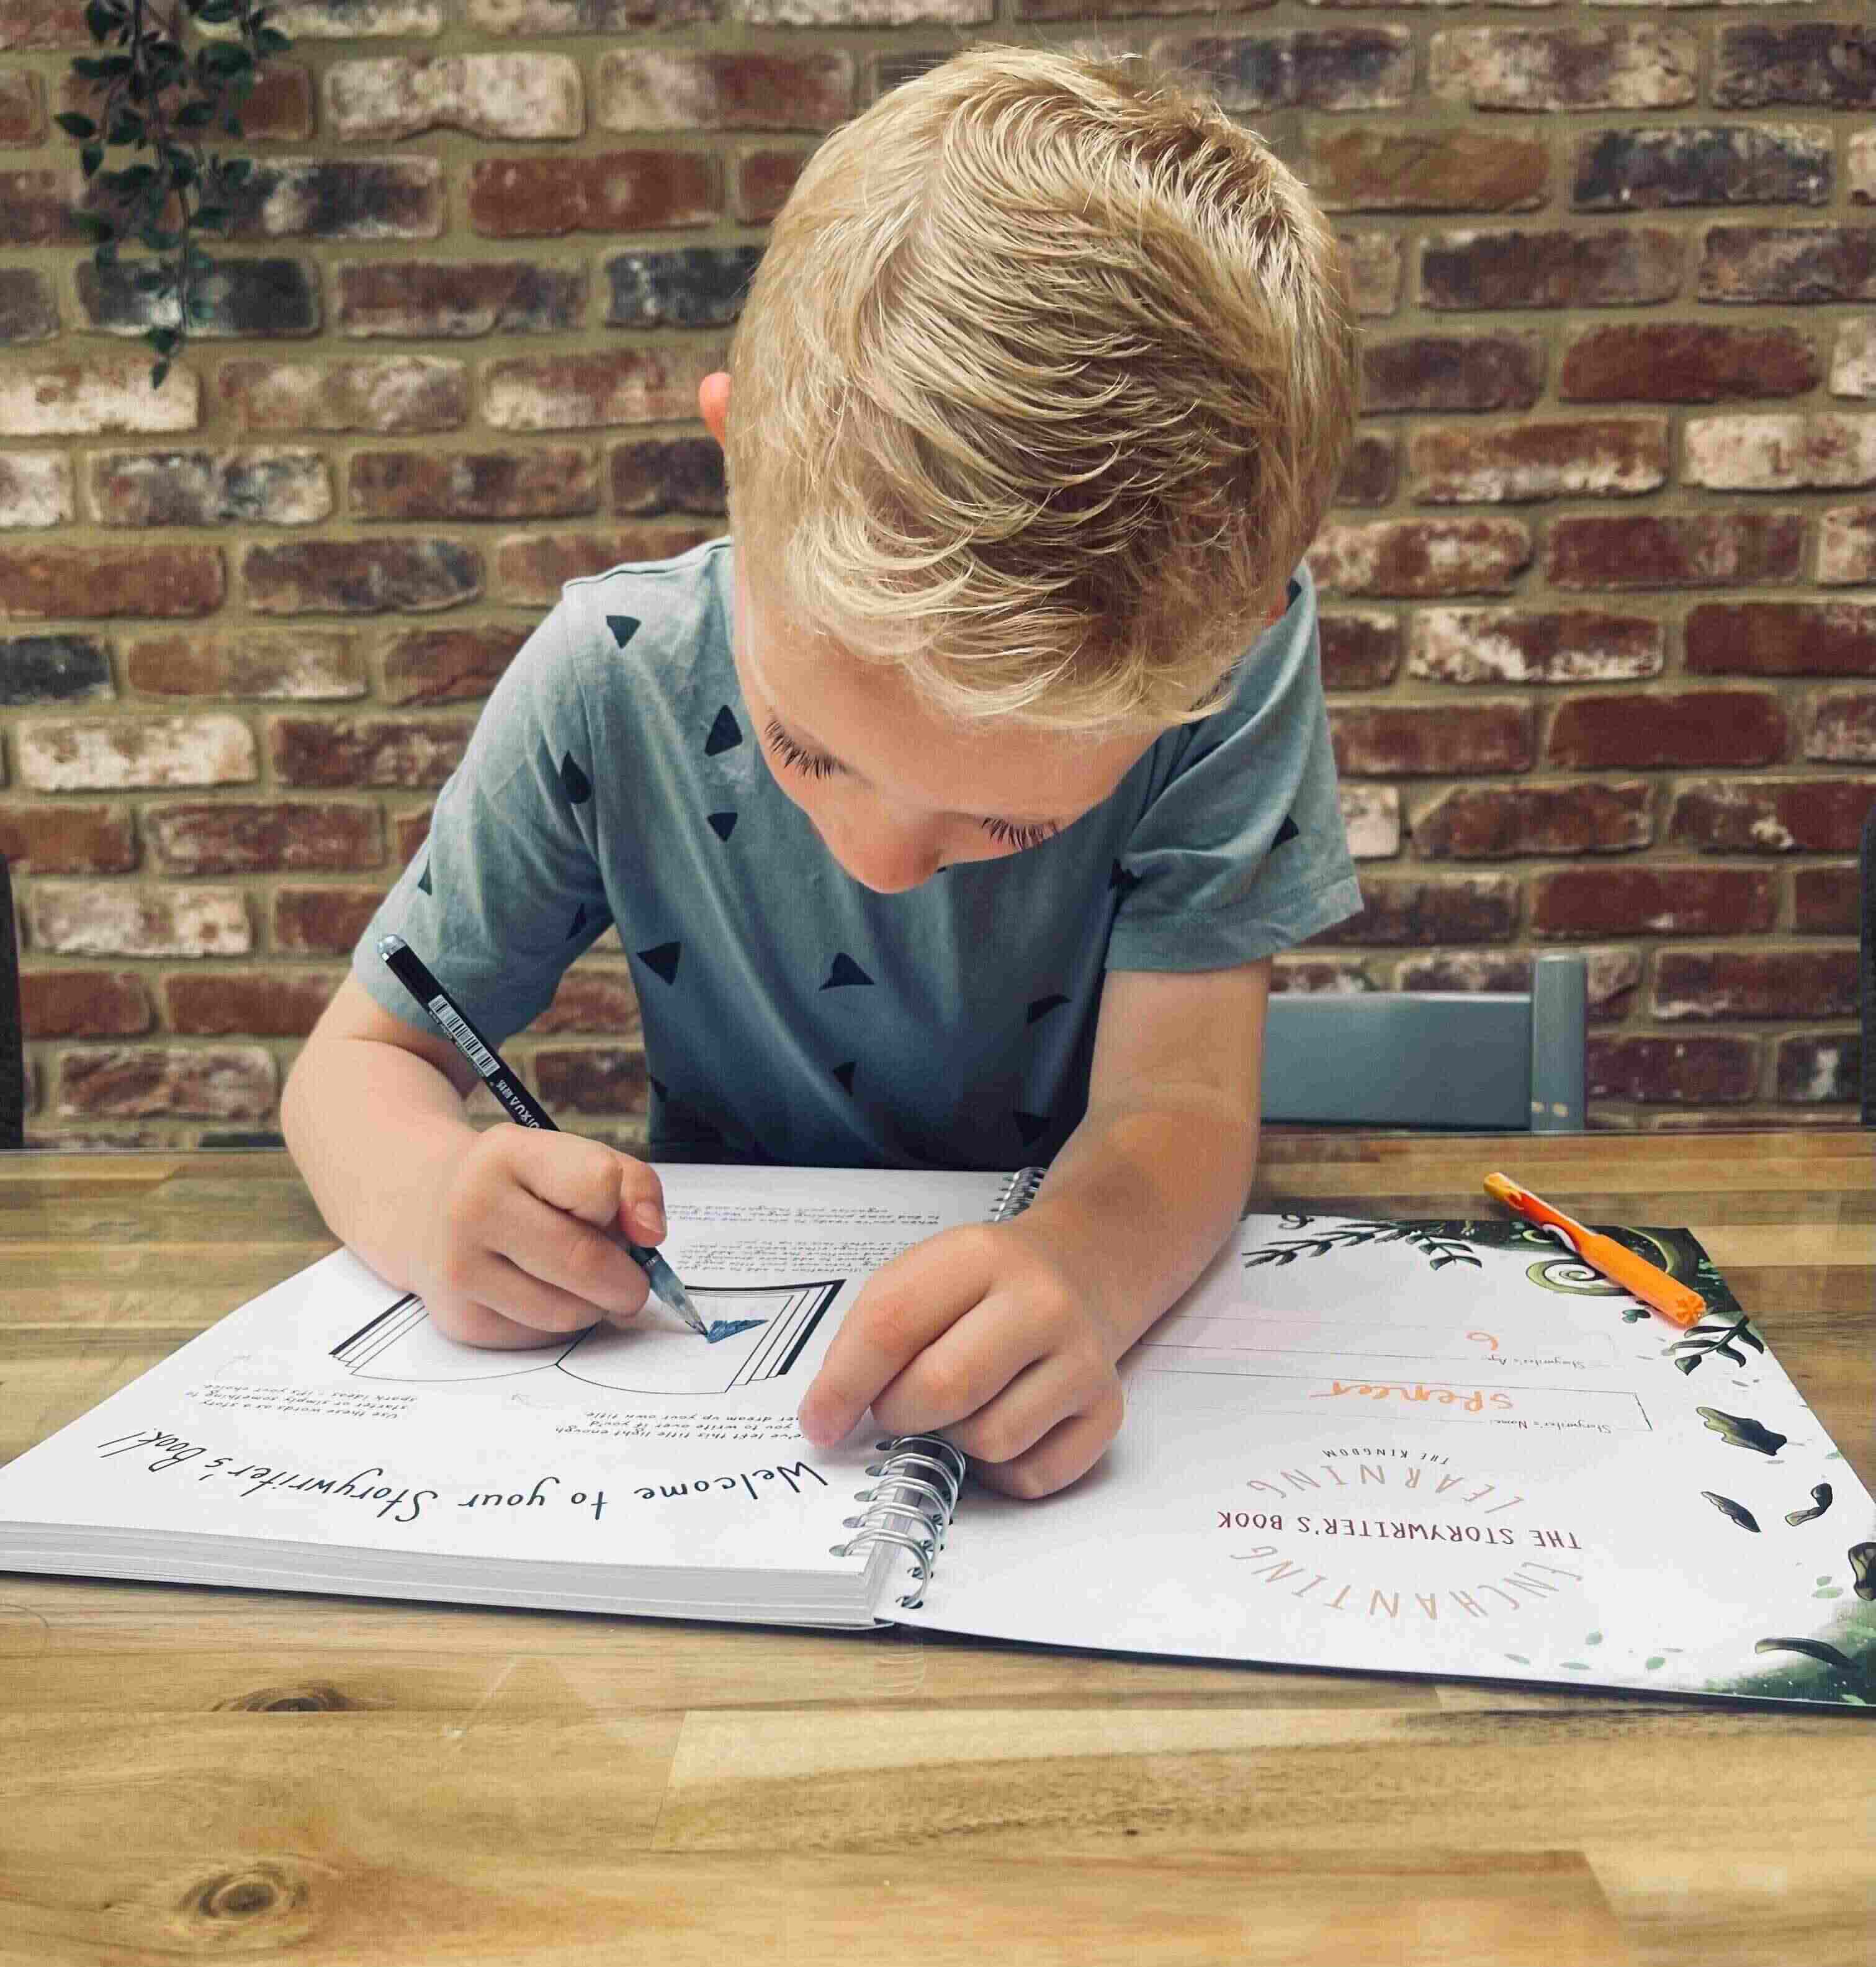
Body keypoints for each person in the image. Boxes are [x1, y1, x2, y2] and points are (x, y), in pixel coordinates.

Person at [281, 41, 1363, 1499]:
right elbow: (356, 1063)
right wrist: (430, 1201)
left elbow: (1179, 1112)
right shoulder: (610, 676)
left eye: (1011, 818)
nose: (882, 861)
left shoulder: (1217, 669)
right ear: (737, 462)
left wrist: (1085, 1275)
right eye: (808, 747)